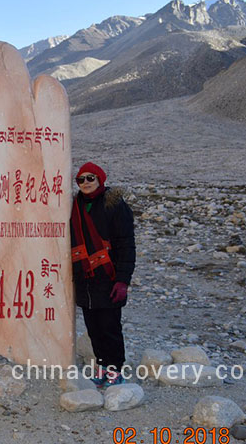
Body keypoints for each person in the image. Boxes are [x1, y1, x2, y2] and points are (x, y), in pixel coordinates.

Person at [70, 162, 135, 388]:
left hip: (108, 276)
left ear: (100, 180)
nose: (86, 183)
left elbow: (126, 244)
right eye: (81, 180)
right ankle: (101, 366)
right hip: (85, 278)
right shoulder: (76, 205)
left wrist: (123, 280)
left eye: (91, 178)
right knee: (93, 327)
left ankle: (115, 369)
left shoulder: (114, 205)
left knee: (110, 326)